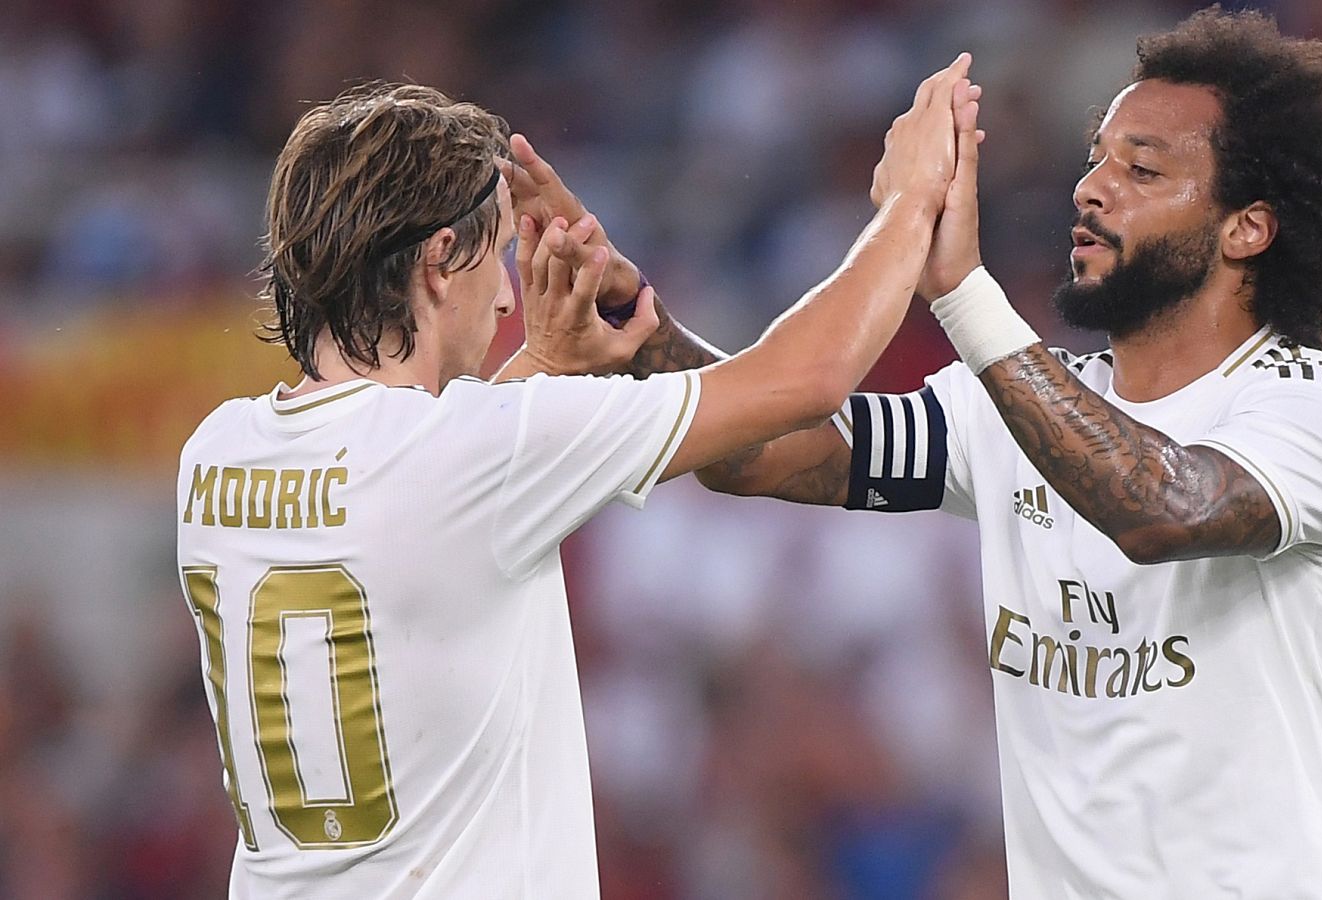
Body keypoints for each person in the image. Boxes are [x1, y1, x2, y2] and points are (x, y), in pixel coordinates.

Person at [509, 8, 1322, 896]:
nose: (1091, 188)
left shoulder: (1311, 411)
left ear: (1246, 229)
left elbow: (1161, 507)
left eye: (1141, 168)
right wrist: (635, 329)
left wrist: (962, 294)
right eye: (1096, 157)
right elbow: (759, 453)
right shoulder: (1014, 407)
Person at [176, 61, 981, 898]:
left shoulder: (216, 453)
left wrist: (548, 366)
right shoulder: (474, 455)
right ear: (440, 261)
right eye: (500, 255)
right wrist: (909, 204)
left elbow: (424, 498)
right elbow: (805, 383)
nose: (506, 300)